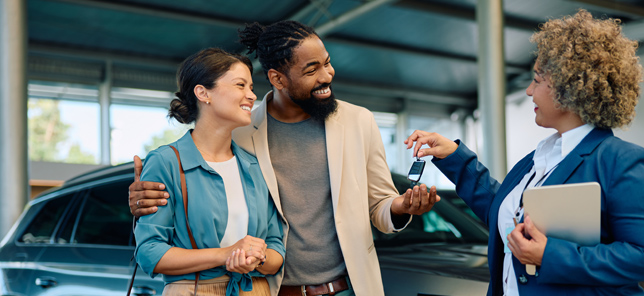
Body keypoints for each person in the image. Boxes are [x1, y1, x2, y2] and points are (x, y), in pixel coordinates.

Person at [129, 21, 439, 296]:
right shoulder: (241, 131)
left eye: (327, 64)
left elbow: (379, 206)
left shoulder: (359, 122)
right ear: (278, 79)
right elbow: (197, 168)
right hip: (271, 289)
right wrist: (142, 195)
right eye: (311, 70)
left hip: (346, 287)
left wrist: (401, 206)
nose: (327, 75)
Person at [404, 9, 644, 296]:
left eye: (538, 80)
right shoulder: (538, 158)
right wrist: (452, 155)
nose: (529, 91)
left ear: (569, 88)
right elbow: (504, 214)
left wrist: (549, 254)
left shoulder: (623, 161)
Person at [134, 48, 285, 296]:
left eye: (251, 87)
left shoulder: (254, 166)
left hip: (255, 290)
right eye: (240, 85)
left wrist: (256, 258)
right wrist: (226, 255)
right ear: (203, 93)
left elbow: (277, 250)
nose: (251, 95)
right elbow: (150, 253)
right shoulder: (166, 162)